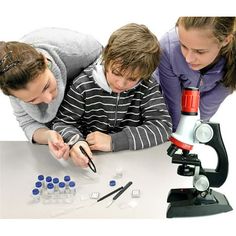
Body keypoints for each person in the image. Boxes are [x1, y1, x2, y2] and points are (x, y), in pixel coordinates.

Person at [51, 23, 172, 168]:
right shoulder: (82, 84)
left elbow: (163, 127)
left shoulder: (147, 86)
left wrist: (114, 141)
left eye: (132, 79)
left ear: (144, 75)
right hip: (91, 162)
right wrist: (77, 142)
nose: (121, 84)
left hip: (133, 162)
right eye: (116, 73)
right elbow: (62, 123)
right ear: (106, 59)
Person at [0, 27, 102, 158]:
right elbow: (28, 123)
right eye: (32, 100)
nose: (48, 99)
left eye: (45, 86)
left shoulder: (81, 50)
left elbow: (108, 72)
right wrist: (49, 136)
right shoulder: (14, 83)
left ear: (44, 61)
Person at [155, 17, 236, 131]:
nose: (188, 59)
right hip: (164, 105)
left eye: (200, 51)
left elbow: (208, 105)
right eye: (183, 46)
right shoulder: (167, 48)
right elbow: (173, 104)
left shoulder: (232, 60)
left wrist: (192, 130)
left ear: (226, 40)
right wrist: (176, 132)